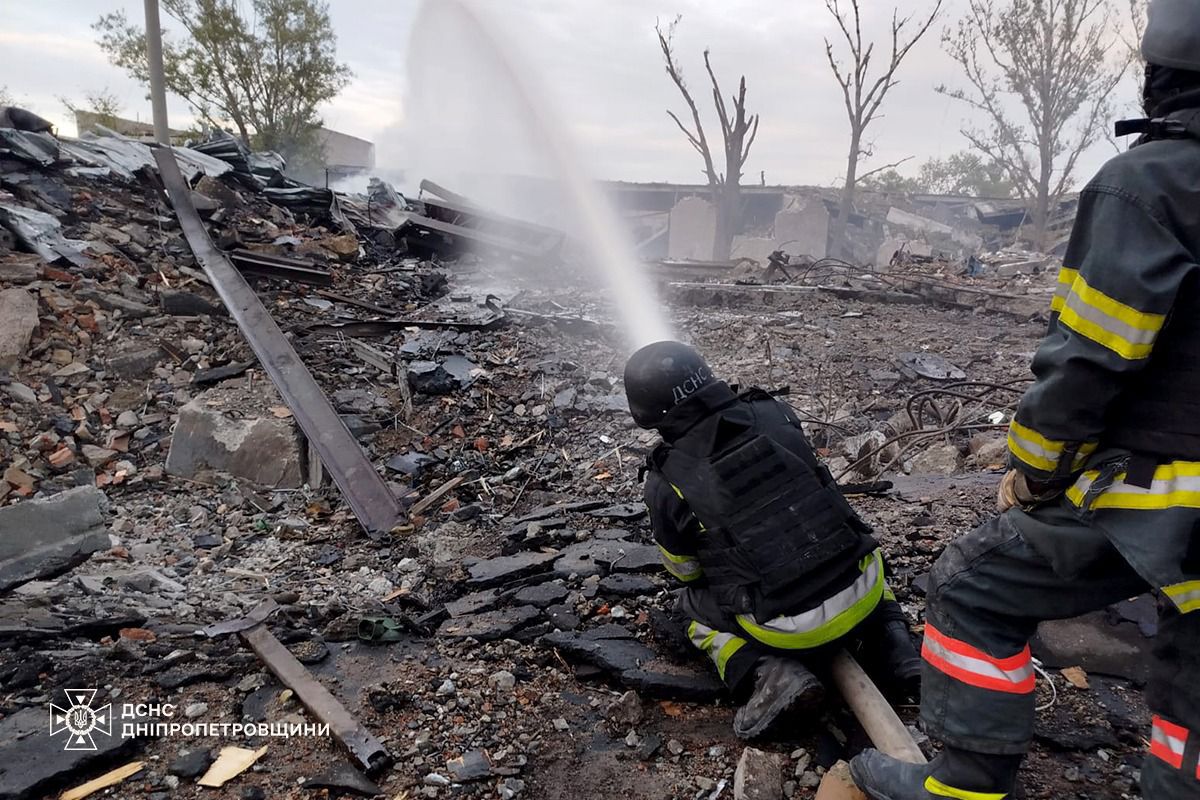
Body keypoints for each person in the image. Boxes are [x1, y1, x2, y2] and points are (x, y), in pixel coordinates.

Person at [850, 2, 1200, 797]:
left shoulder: (1150, 183)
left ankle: (966, 783)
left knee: (972, 583)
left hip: (1173, 496)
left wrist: (1036, 469)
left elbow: (1089, 357)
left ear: (1163, 71)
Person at [624, 340, 921, 739]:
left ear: (648, 415)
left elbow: (686, 572)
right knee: (861, 549)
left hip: (786, 629)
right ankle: (896, 645)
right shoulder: (775, 412)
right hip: (864, 591)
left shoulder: (666, 481)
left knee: (690, 610)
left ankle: (768, 674)